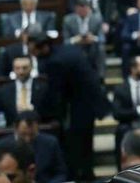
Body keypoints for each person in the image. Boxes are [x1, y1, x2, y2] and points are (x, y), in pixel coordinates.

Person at [28, 31, 110, 181]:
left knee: (76, 143)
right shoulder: (65, 49)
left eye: (33, 50)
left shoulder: (55, 62)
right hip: (88, 101)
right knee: (86, 142)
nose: (32, 54)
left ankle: (79, 176)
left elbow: (56, 92)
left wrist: (43, 113)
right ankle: (86, 174)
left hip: (81, 104)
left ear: (44, 48)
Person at [0, 111, 66, 183]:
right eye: (23, 134)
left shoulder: (50, 143)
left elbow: (61, 173)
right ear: (15, 128)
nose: (27, 139)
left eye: (32, 135)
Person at [0, 56, 51, 125]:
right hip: (11, 127)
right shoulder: (3, 91)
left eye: (24, 68)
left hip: (38, 125)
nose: (21, 72)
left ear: (31, 68)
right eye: (17, 68)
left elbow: (49, 113)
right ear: (13, 69)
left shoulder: (44, 88)